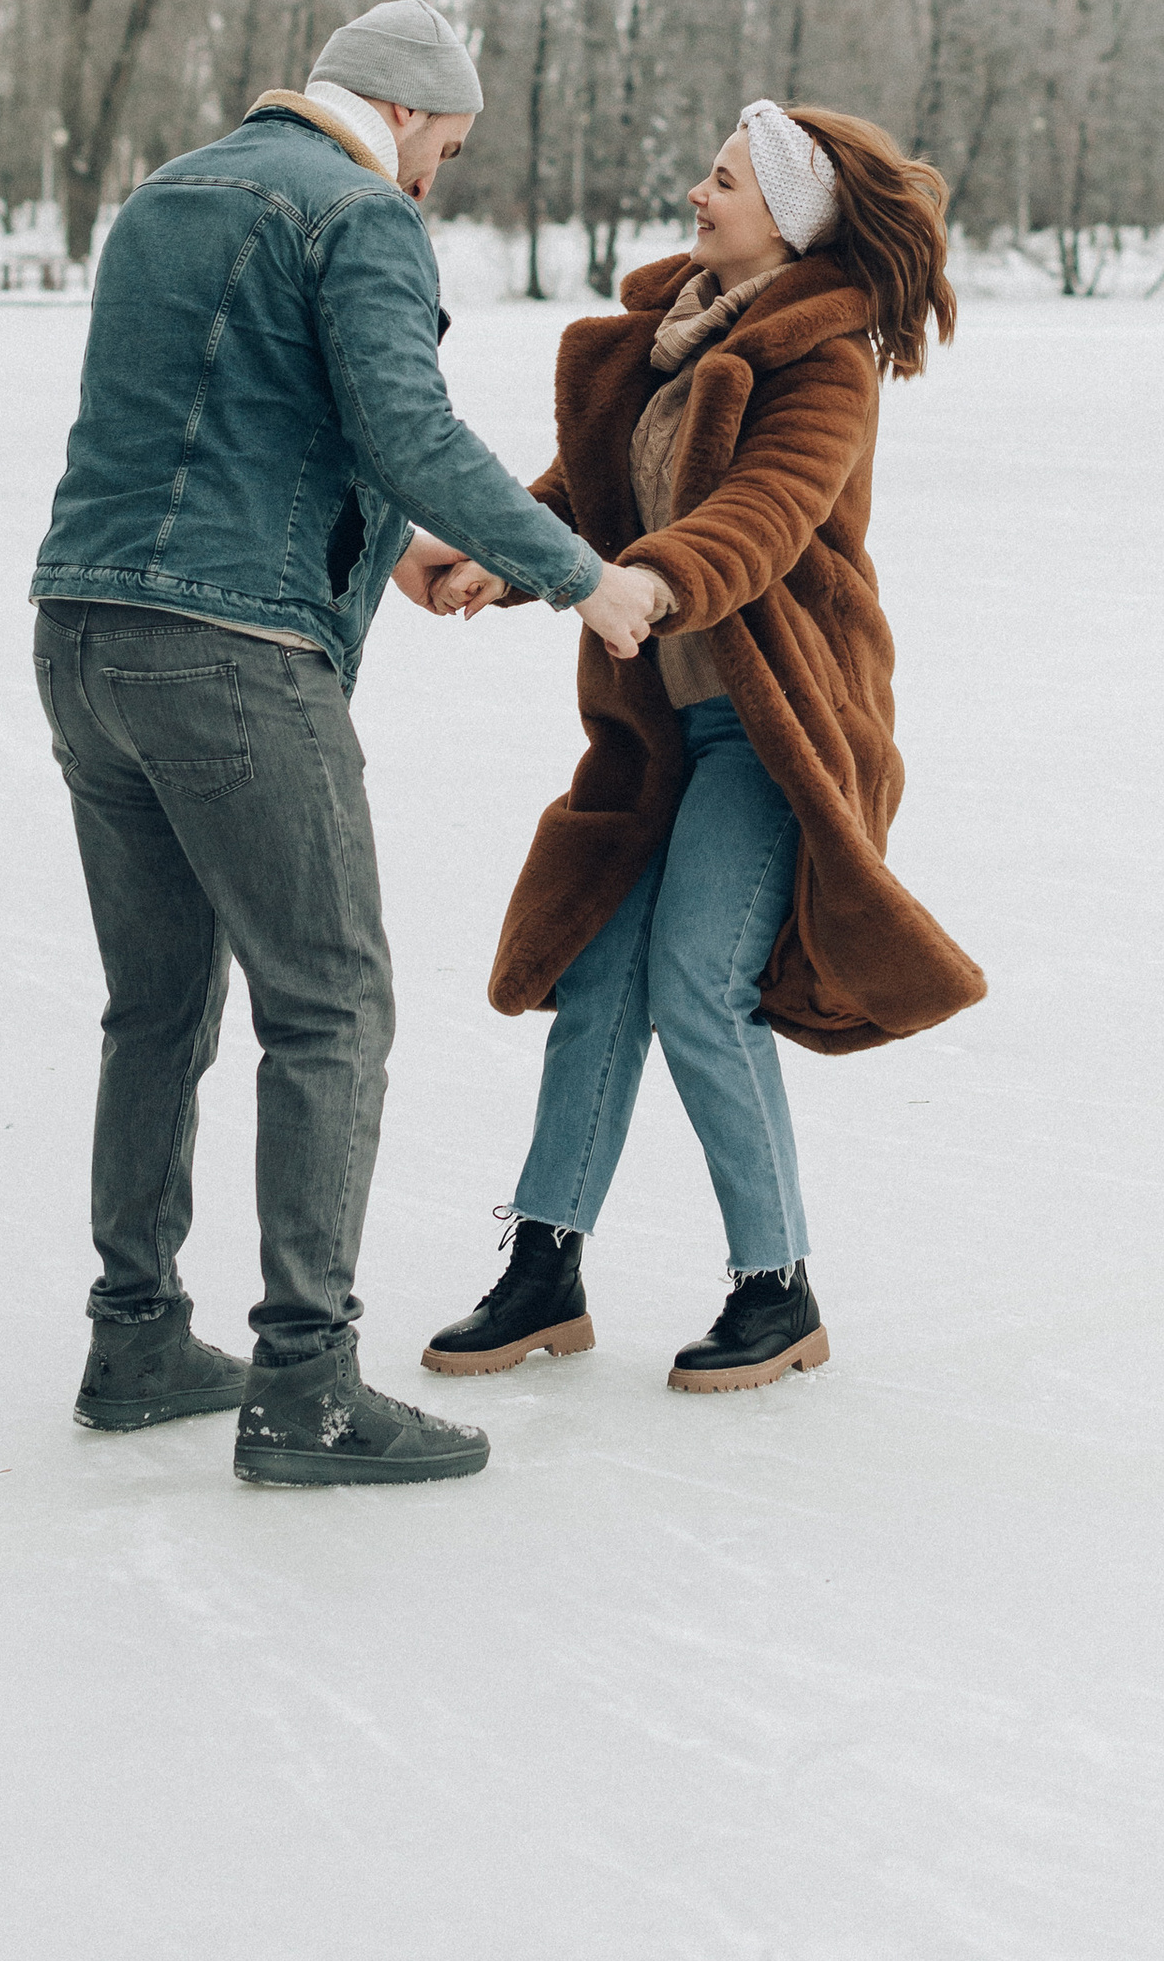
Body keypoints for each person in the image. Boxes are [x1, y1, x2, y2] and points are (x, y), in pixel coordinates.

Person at [28, 0, 661, 1490]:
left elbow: (238, 430)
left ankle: (136, 1337)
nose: (444, 166)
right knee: (332, 1006)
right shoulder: (363, 215)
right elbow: (407, 427)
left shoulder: (168, 196)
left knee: (158, 1007)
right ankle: (306, 1381)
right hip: (233, 658)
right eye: (451, 137)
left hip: (81, 631)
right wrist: (589, 573)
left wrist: (401, 552)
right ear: (409, 111)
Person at [415, 100, 987, 1396]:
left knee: (695, 976)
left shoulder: (823, 360)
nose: (695, 192)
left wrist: (652, 586)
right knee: (600, 967)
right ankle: (545, 1263)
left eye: (721, 180)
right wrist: (499, 562)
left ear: (784, 216)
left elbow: (765, 513)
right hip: (661, 725)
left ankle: (777, 1286)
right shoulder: (670, 336)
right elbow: (582, 493)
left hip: (775, 720)